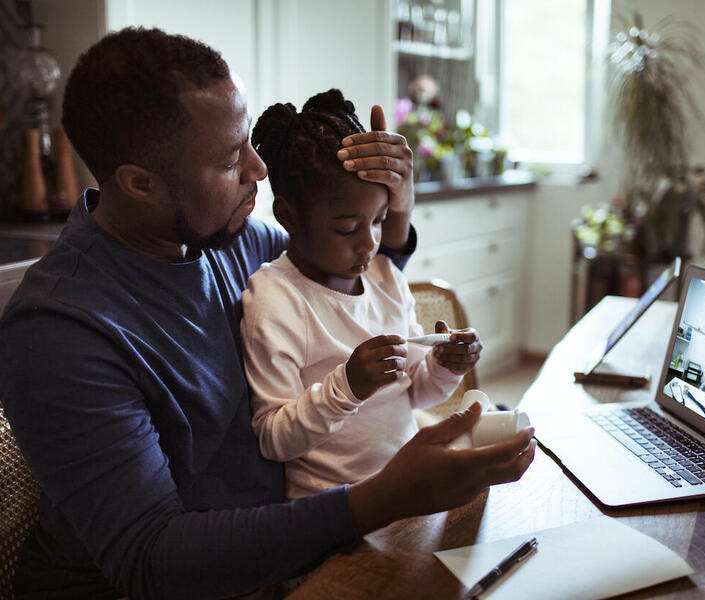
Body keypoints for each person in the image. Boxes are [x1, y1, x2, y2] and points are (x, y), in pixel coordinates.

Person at [0, 27, 534, 600]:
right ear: (140, 183)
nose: (258, 168)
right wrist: (383, 497)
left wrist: (393, 205)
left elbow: (342, 274)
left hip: (289, 559)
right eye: (232, 157)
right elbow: (151, 560)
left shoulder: (230, 238)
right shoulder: (60, 331)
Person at [242, 90, 481, 500]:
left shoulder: (385, 277)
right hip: (333, 510)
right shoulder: (275, 299)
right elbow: (273, 439)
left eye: (379, 221)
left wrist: (445, 367)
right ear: (288, 216)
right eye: (347, 228)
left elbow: (417, 394)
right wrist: (348, 386)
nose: (369, 244)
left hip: (407, 487)